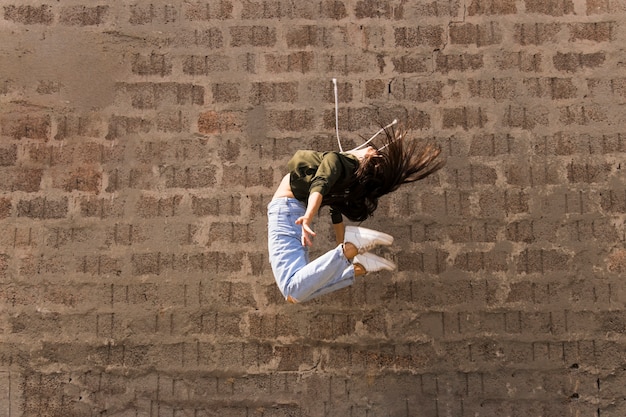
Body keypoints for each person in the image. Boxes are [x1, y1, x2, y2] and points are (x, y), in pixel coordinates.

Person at [267, 124, 444, 303]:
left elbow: (320, 183)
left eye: (371, 151)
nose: (368, 147)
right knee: (295, 293)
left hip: (287, 213)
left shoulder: (335, 161)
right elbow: (334, 209)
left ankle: (351, 248)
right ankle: (357, 267)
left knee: (292, 289)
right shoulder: (345, 176)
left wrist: (309, 216)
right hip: (291, 211)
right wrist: (340, 245)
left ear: (367, 158)